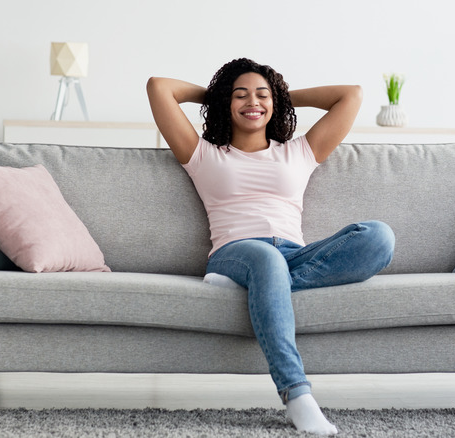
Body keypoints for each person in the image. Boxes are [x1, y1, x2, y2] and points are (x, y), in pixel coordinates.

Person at [147, 58, 395, 436]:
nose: (253, 102)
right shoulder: (203, 154)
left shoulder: (299, 151)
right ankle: (297, 395)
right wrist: (216, 94)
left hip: (293, 253)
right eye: (240, 95)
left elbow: (351, 95)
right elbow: (159, 87)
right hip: (236, 252)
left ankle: (262, 287)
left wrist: (280, 95)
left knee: (379, 237)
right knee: (265, 259)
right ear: (225, 105)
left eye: (262, 95)